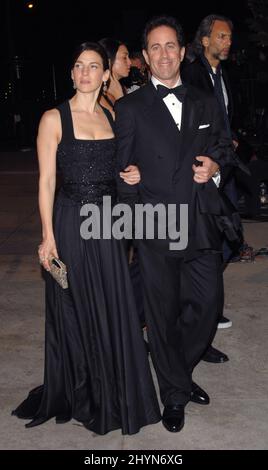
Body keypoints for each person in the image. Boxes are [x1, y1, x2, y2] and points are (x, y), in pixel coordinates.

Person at [11, 42, 161, 435]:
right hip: (71, 219)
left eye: (93, 66)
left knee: (113, 303)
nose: (84, 73)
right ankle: (83, 392)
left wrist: (131, 174)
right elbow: (45, 181)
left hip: (108, 222)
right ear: (73, 72)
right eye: (78, 66)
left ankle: (114, 388)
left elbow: (121, 166)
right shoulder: (53, 118)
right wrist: (47, 236)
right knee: (77, 307)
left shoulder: (113, 114)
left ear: (105, 74)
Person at [115, 15, 235, 433]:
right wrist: (129, 191)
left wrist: (215, 165)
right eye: (155, 48)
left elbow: (224, 145)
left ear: (183, 52)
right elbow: (119, 169)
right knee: (162, 315)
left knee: (205, 307)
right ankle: (174, 394)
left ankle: (177, 373)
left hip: (200, 222)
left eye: (171, 46)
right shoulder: (129, 108)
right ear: (145, 57)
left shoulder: (204, 100)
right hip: (155, 225)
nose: (164, 54)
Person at [98, 38, 131, 113]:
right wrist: (120, 98)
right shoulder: (98, 98)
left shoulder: (123, 89)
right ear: (108, 61)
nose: (130, 62)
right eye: (124, 58)